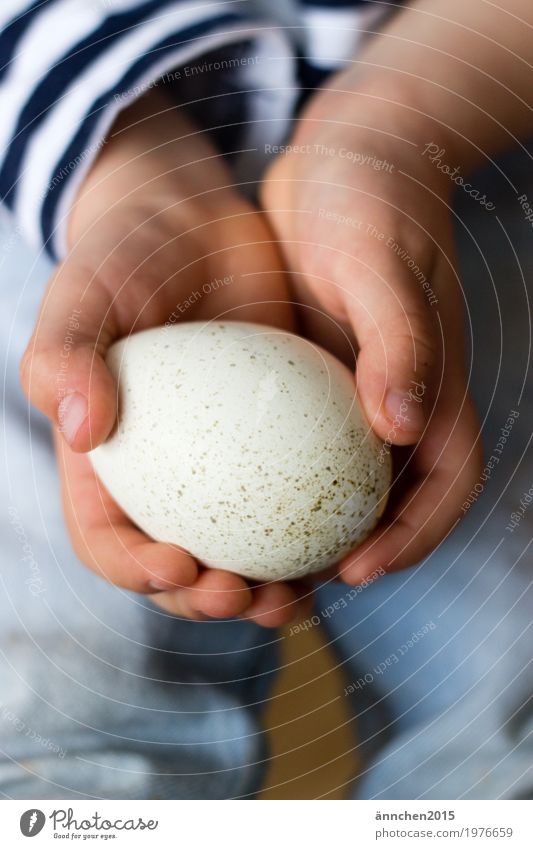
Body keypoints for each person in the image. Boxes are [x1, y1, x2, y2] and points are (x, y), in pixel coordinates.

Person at [0, 0, 532, 798]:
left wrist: (401, 117)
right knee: (51, 709)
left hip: (470, 126)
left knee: (505, 710)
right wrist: (128, 167)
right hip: (64, 200)